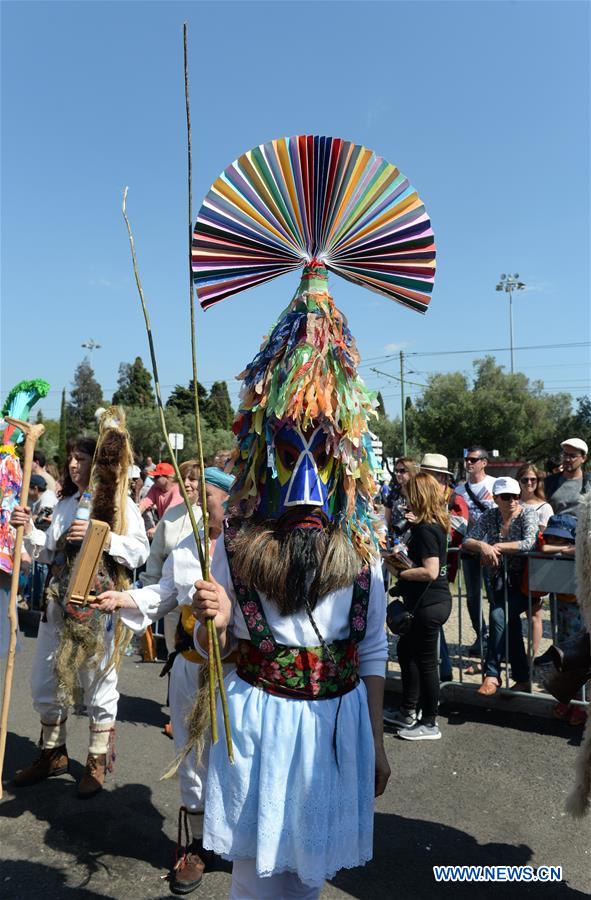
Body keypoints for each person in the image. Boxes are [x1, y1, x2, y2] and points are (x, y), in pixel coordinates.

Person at [191, 260, 390, 899]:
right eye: (285, 454)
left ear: (345, 459)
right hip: (258, 730)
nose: (305, 487)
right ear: (262, 456)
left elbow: (373, 654)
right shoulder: (237, 546)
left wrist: (378, 745)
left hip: (335, 732)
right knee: (253, 880)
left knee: (310, 879)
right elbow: (211, 652)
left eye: (323, 454)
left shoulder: (364, 556)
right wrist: (213, 627)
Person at [93, 467, 234, 894]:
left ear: (228, 498)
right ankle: (197, 845)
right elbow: (165, 593)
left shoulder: (246, 546)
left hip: (235, 673)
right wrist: (125, 598)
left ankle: (234, 840)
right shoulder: (187, 545)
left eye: (206, 492)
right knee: (190, 753)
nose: (197, 498)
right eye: (195, 491)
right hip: (191, 665)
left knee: (233, 755)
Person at [11, 414, 149, 797]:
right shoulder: (65, 502)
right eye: (70, 457)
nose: (73, 464)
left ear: (98, 463)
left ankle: (97, 760)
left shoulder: (122, 506)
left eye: (81, 458)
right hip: (58, 605)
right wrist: (26, 527)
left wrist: (103, 538)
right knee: (44, 682)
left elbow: (140, 552)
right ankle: (52, 752)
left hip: (98, 607)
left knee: (100, 686)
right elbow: (46, 550)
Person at [384, 472, 453, 740]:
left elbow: (430, 571)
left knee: (425, 663)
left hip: (429, 603)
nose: (404, 501)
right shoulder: (431, 524)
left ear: (419, 496)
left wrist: (399, 571)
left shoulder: (426, 528)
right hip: (428, 602)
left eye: (409, 495)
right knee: (406, 652)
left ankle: (429, 722)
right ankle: (408, 711)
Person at [463, 477, 538, 696]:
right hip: (498, 581)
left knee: (498, 617)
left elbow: (529, 542)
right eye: (506, 497)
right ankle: (523, 678)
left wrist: (497, 546)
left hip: (524, 583)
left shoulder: (527, 514)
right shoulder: (491, 515)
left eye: (516, 496)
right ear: (496, 498)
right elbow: (468, 540)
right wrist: (483, 546)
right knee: (510, 625)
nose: (513, 501)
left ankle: (492, 674)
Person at [420, 452, 469, 683]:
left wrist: (425, 524)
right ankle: (443, 672)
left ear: (441, 478)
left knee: (432, 622)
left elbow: (458, 530)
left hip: (440, 570)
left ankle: (442, 674)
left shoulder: (454, 499)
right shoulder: (419, 497)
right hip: (424, 572)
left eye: (430, 475)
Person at [539, 514, 586, 726]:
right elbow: (543, 548)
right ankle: (567, 698)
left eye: (561, 539)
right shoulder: (557, 548)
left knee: (580, 656)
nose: (554, 543)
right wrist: (561, 549)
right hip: (561, 605)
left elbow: (580, 550)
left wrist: (566, 549)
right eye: (552, 538)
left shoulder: (582, 547)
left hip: (581, 607)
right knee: (563, 654)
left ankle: (580, 703)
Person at [455, 446, 496, 657]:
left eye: (473, 459)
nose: (468, 463)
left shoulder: (495, 485)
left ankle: (498, 641)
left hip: (492, 550)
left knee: (494, 596)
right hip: (469, 549)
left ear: (484, 462)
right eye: (466, 459)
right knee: (472, 597)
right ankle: (482, 635)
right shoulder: (459, 490)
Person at [517, 462, 553, 656]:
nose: (529, 483)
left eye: (533, 479)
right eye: (525, 479)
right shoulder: (512, 502)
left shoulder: (545, 507)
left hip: (535, 566)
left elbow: (544, 538)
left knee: (534, 615)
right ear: (519, 481)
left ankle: (531, 656)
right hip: (513, 566)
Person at [545, 438, 590, 517]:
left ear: (583, 458)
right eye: (565, 454)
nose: (567, 459)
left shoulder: (588, 482)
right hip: (555, 527)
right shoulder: (549, 482)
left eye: (572, 456)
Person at [139, 461, 183, 537]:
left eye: (157, 477)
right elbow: (145, 502)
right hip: (163, 527)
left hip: (177, 530)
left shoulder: (178, 490)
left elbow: (170, 512)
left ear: (168, 477)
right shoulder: (155, 487)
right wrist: (134, 514)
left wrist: (156, 528)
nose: (154, 479)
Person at [383, 456, 419, 546]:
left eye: (402, 471)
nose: (398, 474)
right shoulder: (394, 492)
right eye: (396, 471)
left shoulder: (420, 493)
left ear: (411, 472)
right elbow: (386, 519)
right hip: (395, 543)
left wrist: (418, 520)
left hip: (415, 541)